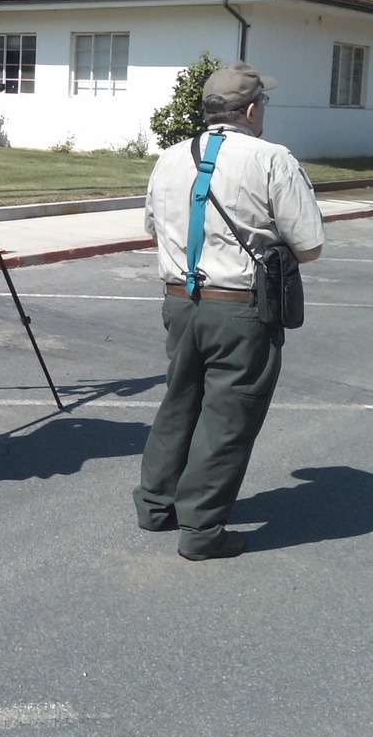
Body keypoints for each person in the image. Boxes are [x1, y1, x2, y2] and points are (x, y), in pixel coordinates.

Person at [133, 61, 325, 560]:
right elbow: (309, 246)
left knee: (179, 402)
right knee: (228, 417)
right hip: (239, 308)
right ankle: (201, 531)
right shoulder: (272, 158)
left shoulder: (171, 156)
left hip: (180, 301)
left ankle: (155, 505)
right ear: (252, 108)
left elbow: (151, 227)